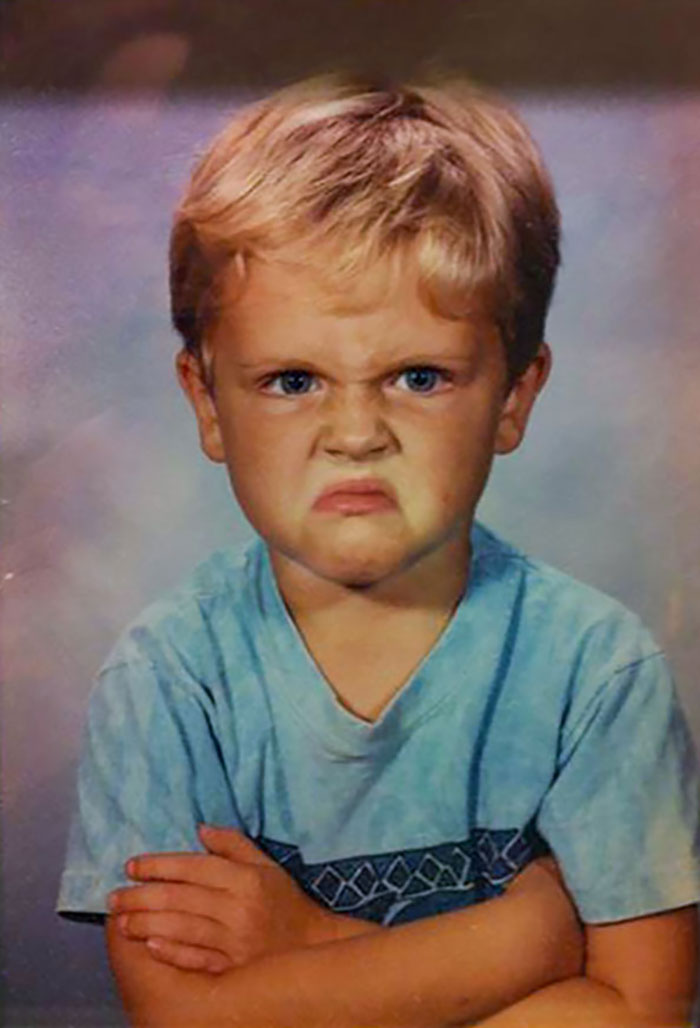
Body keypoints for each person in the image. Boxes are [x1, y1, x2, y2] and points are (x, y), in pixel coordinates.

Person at [57, 76, 700, 1026]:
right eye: (292, 379)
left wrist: (308, 938)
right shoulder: (168, 679)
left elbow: (641, 1012)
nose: (355, 433)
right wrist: (531, 942)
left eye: (418, 375)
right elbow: (186, 1018)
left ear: (515, 398)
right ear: (207, 405)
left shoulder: (595, 672)